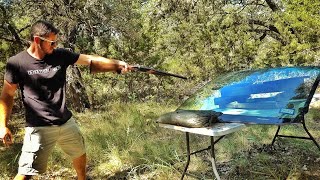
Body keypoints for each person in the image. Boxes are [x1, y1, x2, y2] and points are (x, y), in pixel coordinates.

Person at [0, 20, 130, 180]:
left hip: (66, 122)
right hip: (39, 127)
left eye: (56, 42)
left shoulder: (60, 55)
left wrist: (117, 64)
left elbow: (89, 60)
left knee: (80, 154)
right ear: (36, 40)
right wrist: (3, 126)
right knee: (26, 172)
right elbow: (7, 96)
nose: (54, 46)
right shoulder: (17, 63)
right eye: (52, 42)